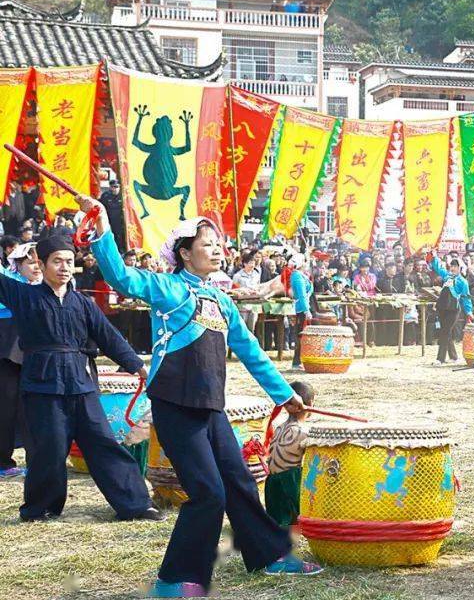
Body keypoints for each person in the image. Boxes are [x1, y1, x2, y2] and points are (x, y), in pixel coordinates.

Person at [80, 197, 321, 597]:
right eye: (207, 244)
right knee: (209, 492)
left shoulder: (222, 301)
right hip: (175, 406)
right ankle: (174, 579)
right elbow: (122, 278)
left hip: (210, 408)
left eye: (217, 244)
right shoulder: (168, 288)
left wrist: (286, 396)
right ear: (185, 254)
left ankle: (269, 555)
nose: (216, 250)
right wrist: (103, 228)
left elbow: (251, 353)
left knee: (239, 481)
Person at [0, 234, 159, 523]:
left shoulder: (82, 303)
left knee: (103, 441)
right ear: (41, 263)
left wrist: (138, 367)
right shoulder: (23, 296)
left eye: (69, 262)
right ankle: (41, 508)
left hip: (80, 381)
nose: (64, 267)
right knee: (48, 448)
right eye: (57, 261)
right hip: (41, 383)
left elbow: (109, 337)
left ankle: (136, 505)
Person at [0, 242, 40, 479]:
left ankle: (37, 459)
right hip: (7, 350)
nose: (36, 267)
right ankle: (3, 461)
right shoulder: (9, 286)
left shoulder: (46, 288)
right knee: (6, 405)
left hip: (33, 353)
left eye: (38, 262)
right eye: (30, 262)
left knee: (32, 408)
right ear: (17, 266)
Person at [265, 381, 316, 528]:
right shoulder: (303, 432)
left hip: (271, 482)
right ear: (311, 403)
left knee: (277, 522)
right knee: (290, 524)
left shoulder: (279, 428)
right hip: (289, 481)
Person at [428, 251, 474, 365]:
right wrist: (433, 257)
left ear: (460, 268)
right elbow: (438, 268)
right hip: (442, 308)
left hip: (453, 310)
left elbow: (465, 298)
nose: (453, 268)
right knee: (446, 332)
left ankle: (440, 359)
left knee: (444, 332)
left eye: (456, 266)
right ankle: (454, 357)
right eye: (452, 265)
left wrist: (469, 311)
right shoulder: (446, 275)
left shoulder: (463, 282)